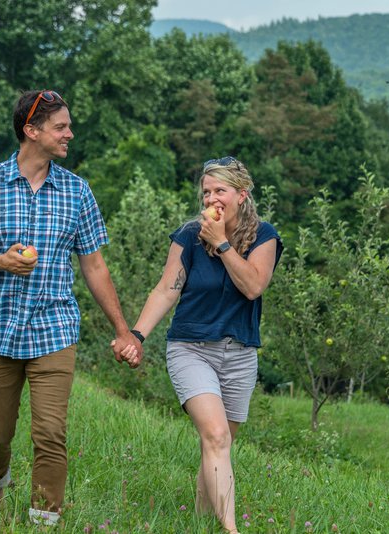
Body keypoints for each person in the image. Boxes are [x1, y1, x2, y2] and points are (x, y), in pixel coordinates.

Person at [0, 89, 142, 526]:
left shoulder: (77, 191)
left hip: (54, 329)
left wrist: (123, 329)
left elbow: (94, 266)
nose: (69, 134)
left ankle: (43, 522)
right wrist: (0, 261)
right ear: (31, 131)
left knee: (51, 433)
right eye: (61, 127)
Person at [117, 157, 282, 534]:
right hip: (190, 349)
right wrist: (137, 335)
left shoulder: (264, 236)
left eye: (220, 190)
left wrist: (222, 243)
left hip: (240, 354)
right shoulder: (190, 235)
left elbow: (253, 286)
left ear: (241, 195)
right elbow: (166, 289)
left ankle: (202, 523)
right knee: (216, 436)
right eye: (206, 192)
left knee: (218, 445)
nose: (211, 198)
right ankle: (231, 529)